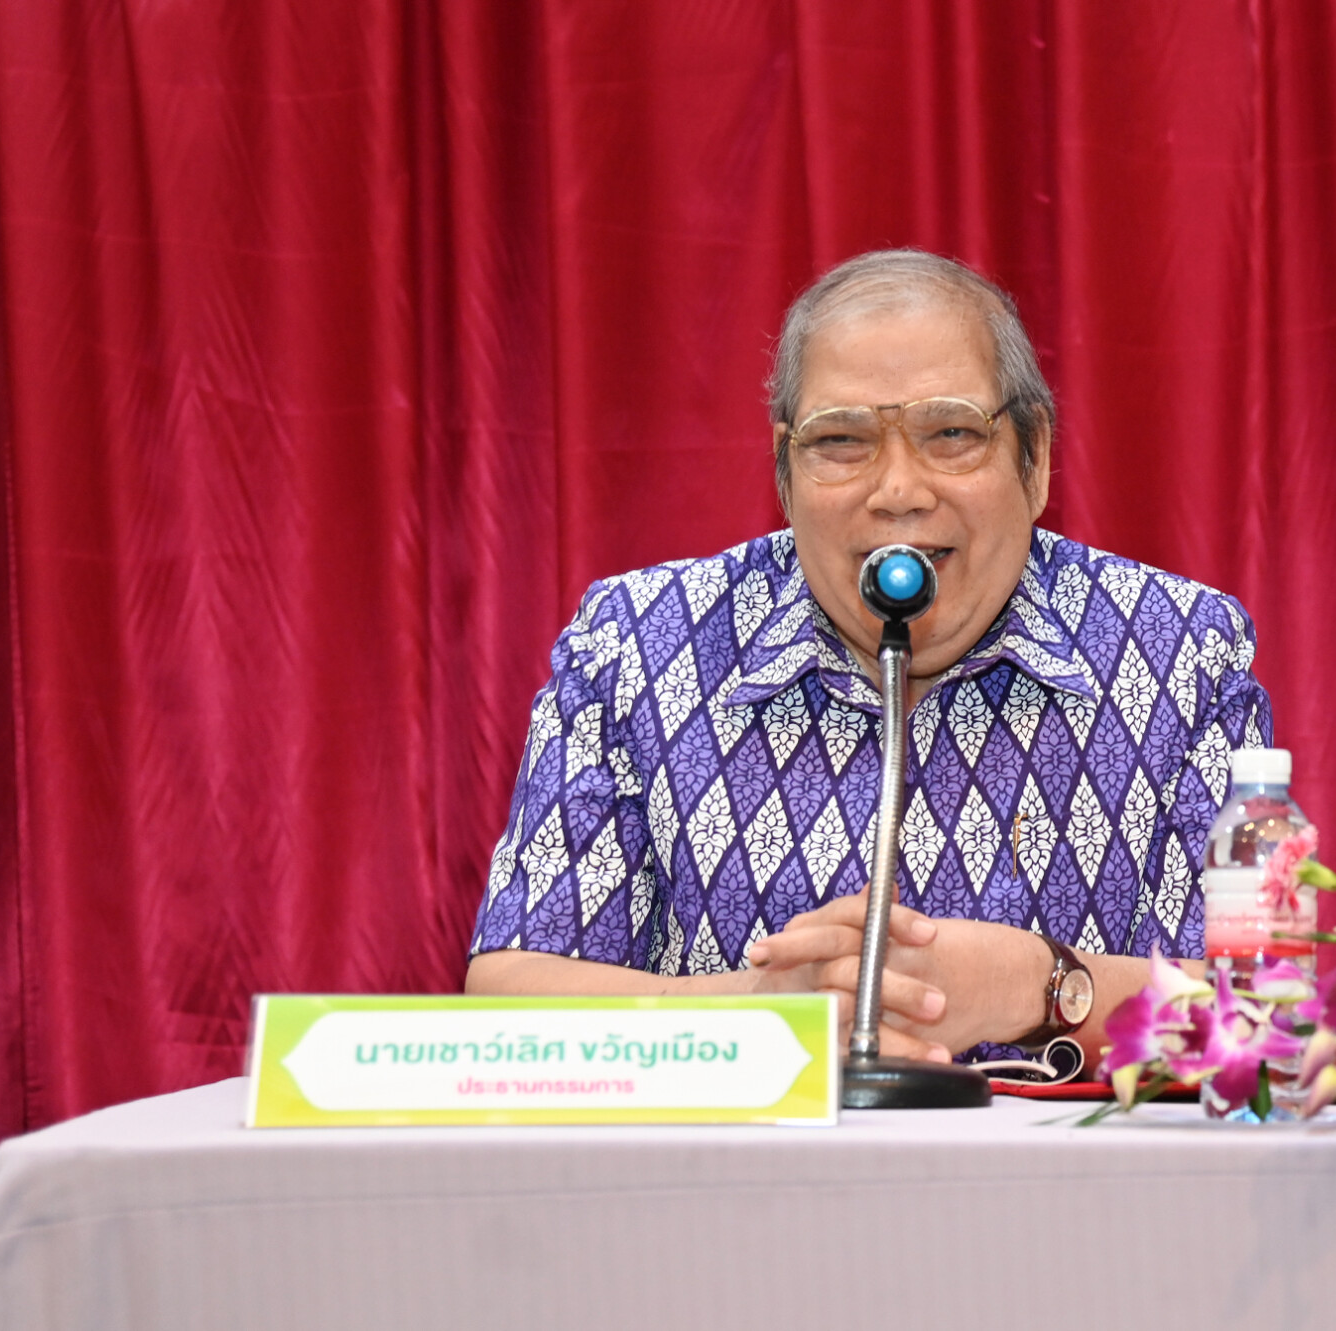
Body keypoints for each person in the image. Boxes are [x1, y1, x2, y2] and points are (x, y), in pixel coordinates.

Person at [467, 249, 1272, 1066]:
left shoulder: (1182, 649)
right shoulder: (638, 643)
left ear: (1034, 459)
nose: (898, 491)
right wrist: (760, 1010)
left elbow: (1268, 1020)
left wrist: (1042, 988)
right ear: (785, 474)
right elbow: (507, 1002)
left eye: (951, 433)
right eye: (841, 440)